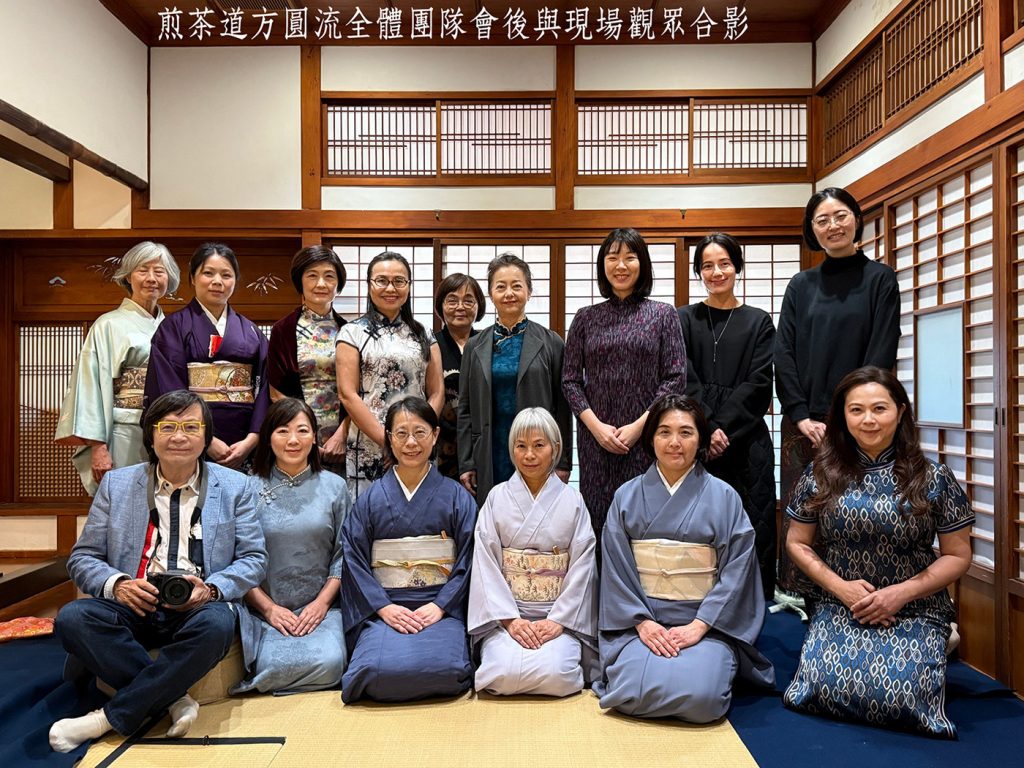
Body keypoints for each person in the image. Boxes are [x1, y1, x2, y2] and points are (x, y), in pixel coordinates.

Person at [48, 390, 266, 752]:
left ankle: (106, 719)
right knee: (73, 617)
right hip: (135, 601)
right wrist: (118, 585)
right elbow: (83, 557)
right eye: (167, 426)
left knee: (218, 625)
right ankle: (173, 698)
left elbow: (254, 559)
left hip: (198, 604)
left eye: (190, 426)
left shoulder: (236, 486)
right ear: (150, 434)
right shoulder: (117, 485)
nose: (178, 436)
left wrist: (211, 589)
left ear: (206, 436)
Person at [783, 367, 973, 737]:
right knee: (817, 690)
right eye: (856, 410)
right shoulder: (820, 473)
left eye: (879, 409)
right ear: (842, 415)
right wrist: (842, 589)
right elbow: (796, 542)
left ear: (900, 411)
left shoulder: (933, 478)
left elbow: (957, 555)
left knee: (903, 699)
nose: (868, 419)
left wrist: (898, 595)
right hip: (842, 603)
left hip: (914, 606)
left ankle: (938, 639)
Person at [595, 394, 774, 722]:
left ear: (701, 440)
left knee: (702, 699)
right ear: (650, 439)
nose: (674, 442)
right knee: (625, 691)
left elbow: (738, 570)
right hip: (641, 623)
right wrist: (642, 622)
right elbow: (616, 571)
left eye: (686, 433)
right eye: (664, 432)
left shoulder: (724, 497)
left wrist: (700, 625)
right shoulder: (627, 496)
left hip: (705, 624)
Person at [775, 188, 900, 595]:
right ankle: (803, 600)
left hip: (862, 423)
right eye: (822, 220)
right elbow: (784, 354)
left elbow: (881, 352)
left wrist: (851, 416)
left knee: (858, 513)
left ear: (856, 219)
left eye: (840, 216)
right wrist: (799, 413)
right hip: (803, 424)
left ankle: (861, 595)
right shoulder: (801, 285)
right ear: (812, 230)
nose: (833, 226)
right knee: (804, 514)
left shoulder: (880, 279)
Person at [340, 396, 475, 703]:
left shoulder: (457, 497)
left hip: (440, 610)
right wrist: (384, 608)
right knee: (370, 671)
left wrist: (440, 606)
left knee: (449, 669)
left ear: (436, 435)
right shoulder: (371, 500)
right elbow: (354, 560)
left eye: (420, 432)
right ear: (389, 438)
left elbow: (468, 560)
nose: (411, 442)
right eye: (401, 433)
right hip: (385, 609)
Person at [563, 228, 686, 541]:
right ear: (603, 265)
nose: (621, 265)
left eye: (630, 257)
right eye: (612, 257)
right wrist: (596, 427)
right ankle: (601, 588)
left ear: (642, 263)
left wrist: (639, 427)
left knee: (645, 520)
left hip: (646, 438)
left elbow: (675, 377)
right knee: (599, 520)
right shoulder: (585, 318)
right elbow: (570, 380)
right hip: (596, 441)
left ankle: (642, 590)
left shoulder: (663, 315)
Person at [468, 407, 598, 697]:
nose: (529, 455)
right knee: (500, 673)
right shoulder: (497, 497)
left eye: (539, 445)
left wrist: (558, 621)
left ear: (555, 448)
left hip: (558, 617)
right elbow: (486, 564)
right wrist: (510, 621)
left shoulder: (573, 501)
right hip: (507, 616)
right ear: (512, 449)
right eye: (521, 446)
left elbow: (583, 565)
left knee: (558, 675)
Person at [678, 233, 777, 597]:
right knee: (699, 526)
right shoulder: (683, 319)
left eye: (724, 264)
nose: (716, 272)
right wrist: (706, 428)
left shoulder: (759, 321)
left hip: (746, 438)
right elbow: (682, 376)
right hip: (695, 441)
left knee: (753, 522)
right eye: (707, 265)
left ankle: (752, 604)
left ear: (737, 267)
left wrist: (721, 429)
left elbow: (759, 382)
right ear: (698, 272)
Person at [232, 398, 350, 695]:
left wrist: (321, 605)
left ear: (315, 437)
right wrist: (269, 609)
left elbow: (343, 554)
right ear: (268, 437)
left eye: (303, 431)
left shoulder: (335, 487)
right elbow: (236, 559)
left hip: (321, 608)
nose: (293, 440)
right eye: (283, 431)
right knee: (272, 666)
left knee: (331, 663)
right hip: (266, 610)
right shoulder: (247, 489)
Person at [55, 242, 180, 495]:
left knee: (167, 507)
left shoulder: (173, 326)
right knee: (124, 505)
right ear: (128, 276)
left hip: (168, 432)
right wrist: (98, 446)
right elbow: (89, 386)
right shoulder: (108, 325)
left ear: (170, 278)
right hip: (125, 430)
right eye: (143, 270)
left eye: (160, 271)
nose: (152, 279)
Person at [144, 243, 270, 470]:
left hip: (243, 440)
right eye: (208, 273)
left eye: (226, 275)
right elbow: (168, 388)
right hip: (190, 437)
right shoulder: (173, 327)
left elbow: (266, 386)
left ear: (235, 281)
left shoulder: (251, 331)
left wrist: (253, 438)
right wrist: (206, 439)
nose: (217, 281)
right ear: (192, 277)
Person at [458, 253, 572, 504]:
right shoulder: (474, 346)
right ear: (490, 294)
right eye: (501, 286)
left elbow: (562, 408)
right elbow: (465, 409)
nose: (509, 293)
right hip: (489, 448)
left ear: (529, 292)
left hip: (537, 449)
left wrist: (563, 462)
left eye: (517, 286)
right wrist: (466, 462)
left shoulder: (551, 342)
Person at [336, 252, 443, 500]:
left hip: (418, 445)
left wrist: (419, 435)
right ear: (369, 285)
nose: (390, 288)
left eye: (399, 281)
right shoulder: (352, 333)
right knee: (370, 514)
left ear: (409, 286)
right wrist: (388, 441)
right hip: (372, 443)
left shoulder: (425, 334)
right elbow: (347, 394)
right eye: (381, 280)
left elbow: (436, 392)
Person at [267, 245, 348, 475]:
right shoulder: (283, 330)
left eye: (329, 276)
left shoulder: (351, 331)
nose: (321, 284)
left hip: (344, 437)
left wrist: (341, 435)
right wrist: (305, 435)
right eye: (312, 275)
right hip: (297, 437)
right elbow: (275, 392)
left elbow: (358, 391)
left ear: (338, 284)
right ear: (299, 281)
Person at [433, 273, 484, 481]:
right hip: (441, 442)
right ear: (440, 306)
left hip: (480, 441)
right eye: (452, 300)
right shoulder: (430, 345)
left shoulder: (488, 344)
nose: (460, 306)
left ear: (479, 306)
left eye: (468, 300)